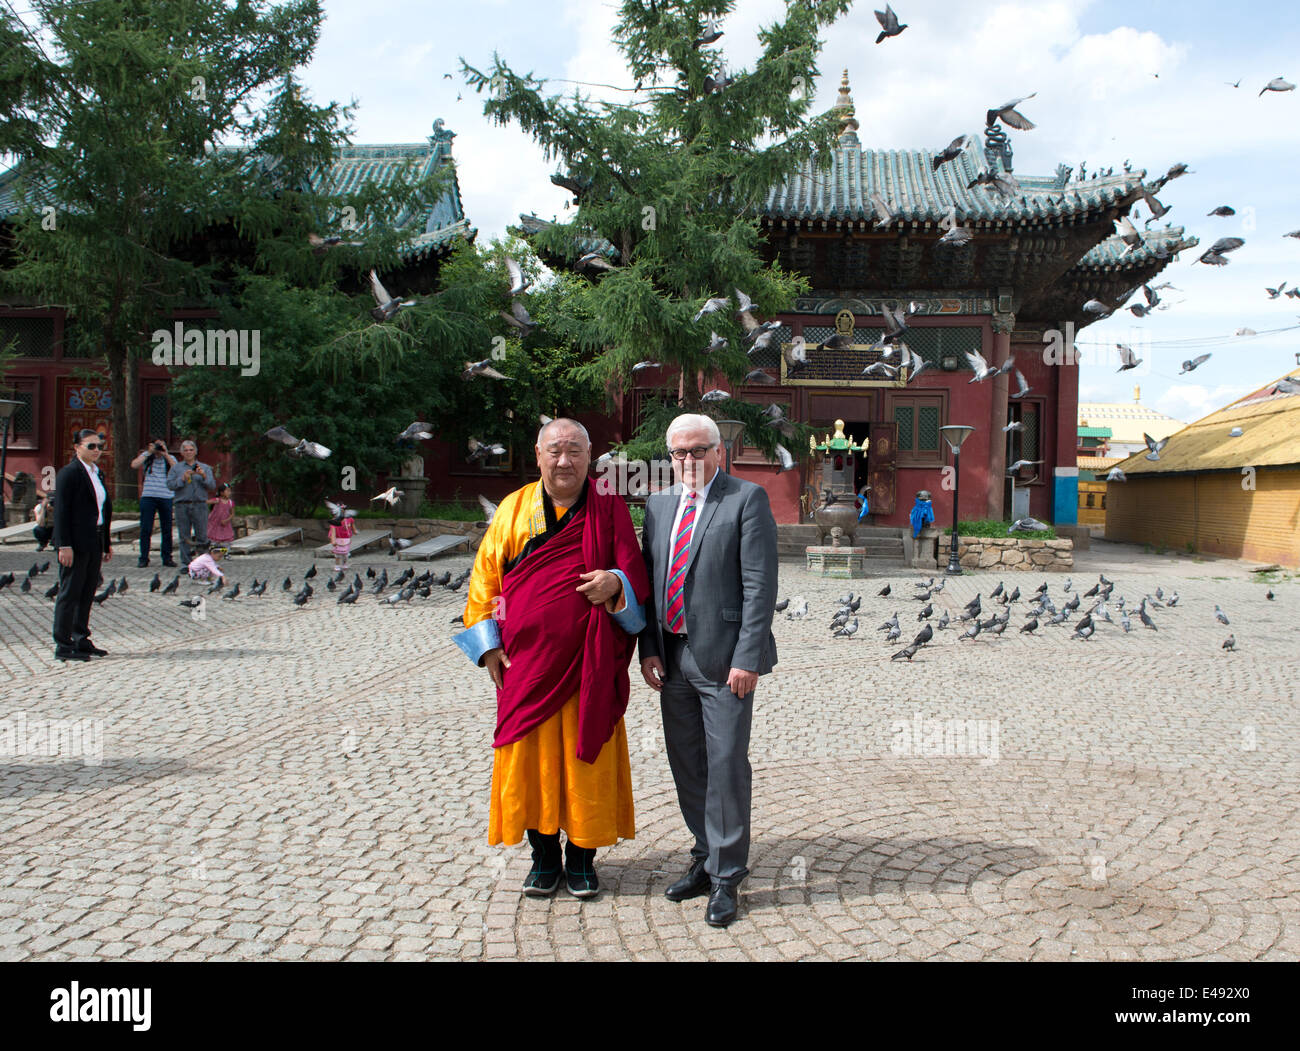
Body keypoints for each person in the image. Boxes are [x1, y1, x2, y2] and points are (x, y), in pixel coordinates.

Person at [453, 418, 650, 899]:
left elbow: (636, 574)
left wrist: (616, 585)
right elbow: (485, 580)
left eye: (575, 451)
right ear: (538, 455)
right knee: (530, 761)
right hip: (526, 665)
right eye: (555, 451)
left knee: (590, 756)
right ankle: (543, 856)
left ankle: (582, 857)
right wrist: (489, 646)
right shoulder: (513, 509)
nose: (565, 461)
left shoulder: (609, 508)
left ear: (590, 457)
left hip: (591, 662)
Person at [638, 413, 778, 928]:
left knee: (724, 765)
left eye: (698, 451)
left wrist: (748, 656)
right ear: (669, 456)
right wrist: (648, 649)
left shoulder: (746, 499)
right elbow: (650, 582)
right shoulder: (658, 504)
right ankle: (704, 852)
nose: (689, 461)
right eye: (679, 453)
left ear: (720, 452)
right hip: (671, 658)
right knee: (688, 763)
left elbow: (761, 586)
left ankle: (727, 877)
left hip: (724, 661)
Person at [51, 428, 114, 662]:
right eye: (91, 446)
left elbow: (103, 510)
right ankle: (63, 643)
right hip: (75, 542)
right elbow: (61, 512)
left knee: (87, 591)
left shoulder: (98, 473)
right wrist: (63, 544)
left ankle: (80, 638)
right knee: (70, 592)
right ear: (77, 447)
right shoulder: (69, 474)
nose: (96, 450)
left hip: (94, 538)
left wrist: (106, 543)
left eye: (99, 446)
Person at [130, 437, 177, 567]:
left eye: (160, 445)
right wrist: (148, 452)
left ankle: (167, 557)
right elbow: (134, 464)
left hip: (166, 496)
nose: (158, 449)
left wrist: (165, 454)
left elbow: (177, 469)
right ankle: (143, 557)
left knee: (167, 528)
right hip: (148, 496)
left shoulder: (170, 458)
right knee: (145, 528)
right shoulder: (147, 457)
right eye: (156, 446)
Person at [167, 439, 215, 565]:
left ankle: (203, 563)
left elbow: (212, 486)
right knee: (184, 537)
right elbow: (170, 485)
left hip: (200, 505)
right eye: (186, 450)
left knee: (202, 536)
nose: (188, 452)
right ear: (182, 453)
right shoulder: (176, 468)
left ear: (195, 452)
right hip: (182, 505)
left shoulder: (204, 467)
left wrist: (203, 476)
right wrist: (182, 479)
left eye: (191, 450)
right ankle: (186, 563)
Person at [206, 482, 235, 555]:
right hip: (215, 524)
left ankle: (224, 553)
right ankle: (213, 552)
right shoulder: (217, 500)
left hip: (225, 524)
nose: (229, 493)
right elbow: (207, 502)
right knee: (214, 539)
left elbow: (232, 514)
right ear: (221, 493)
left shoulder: (230, 503)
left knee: (226, 540)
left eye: (230, 491)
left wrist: (227, 520)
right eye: (227, 491)